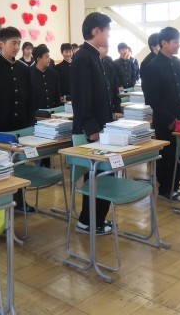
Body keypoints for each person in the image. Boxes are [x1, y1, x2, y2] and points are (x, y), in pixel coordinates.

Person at [0, 26, 35, 212]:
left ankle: (19, 202)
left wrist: (30, 128)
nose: (17, 47)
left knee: (18, 166)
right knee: (3, 170)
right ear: (1, 44)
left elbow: (29, 100)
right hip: (1, 127)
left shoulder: (23, 69)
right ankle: (2, 206)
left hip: (21, 127)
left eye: (19, 43)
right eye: (13, 43)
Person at [70, 13, 115, 235]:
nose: (109, 36)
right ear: (96, 31)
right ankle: (87, 222)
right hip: (92, 129)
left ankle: (96, 219)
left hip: (100, 125)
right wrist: (92, 127)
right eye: (107, 31)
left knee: (102, 174)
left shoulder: (94, 56)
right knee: (96, 175)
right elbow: (81, 97)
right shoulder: (82, 58)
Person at [142, 26, 180, 201]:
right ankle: (165, 188)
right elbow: (153, 99)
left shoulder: (178, 62)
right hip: (165, 121)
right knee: (167, 155)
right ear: (164, 43)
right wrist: (170, 119)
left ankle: (175, 186)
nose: (178, 45)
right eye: (175, 42)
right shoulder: (153, 66)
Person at [31, 44, 63, 111]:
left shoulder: (54, 74)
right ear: (38, 59)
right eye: (46, 57)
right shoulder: (30, 75)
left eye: (49, 57)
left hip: (53, 111)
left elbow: (57, 95)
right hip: (37, 113)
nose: (49, 59)